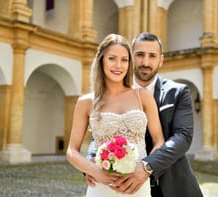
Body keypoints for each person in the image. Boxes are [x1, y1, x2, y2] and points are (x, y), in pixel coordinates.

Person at [86, 32, 203, 197]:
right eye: (140, 55)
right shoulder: (109, 94)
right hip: (121, 186)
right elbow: (98, 133)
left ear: (160, 60)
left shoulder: (178, 92)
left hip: (172, 185)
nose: (145, 62)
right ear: (131, 57)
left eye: (152, 56)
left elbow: (182, 136)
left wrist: (147, 166)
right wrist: (92, 161)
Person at [66, 33, 164, 197]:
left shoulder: (143, 96)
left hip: (137, 184)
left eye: (124, 60)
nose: (119, 65)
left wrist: (145, 168)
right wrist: (93, 171)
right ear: (102, 60)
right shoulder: (86, 102)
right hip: (102, 185)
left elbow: (159, 141)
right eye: (112, 58)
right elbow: (71, 150)